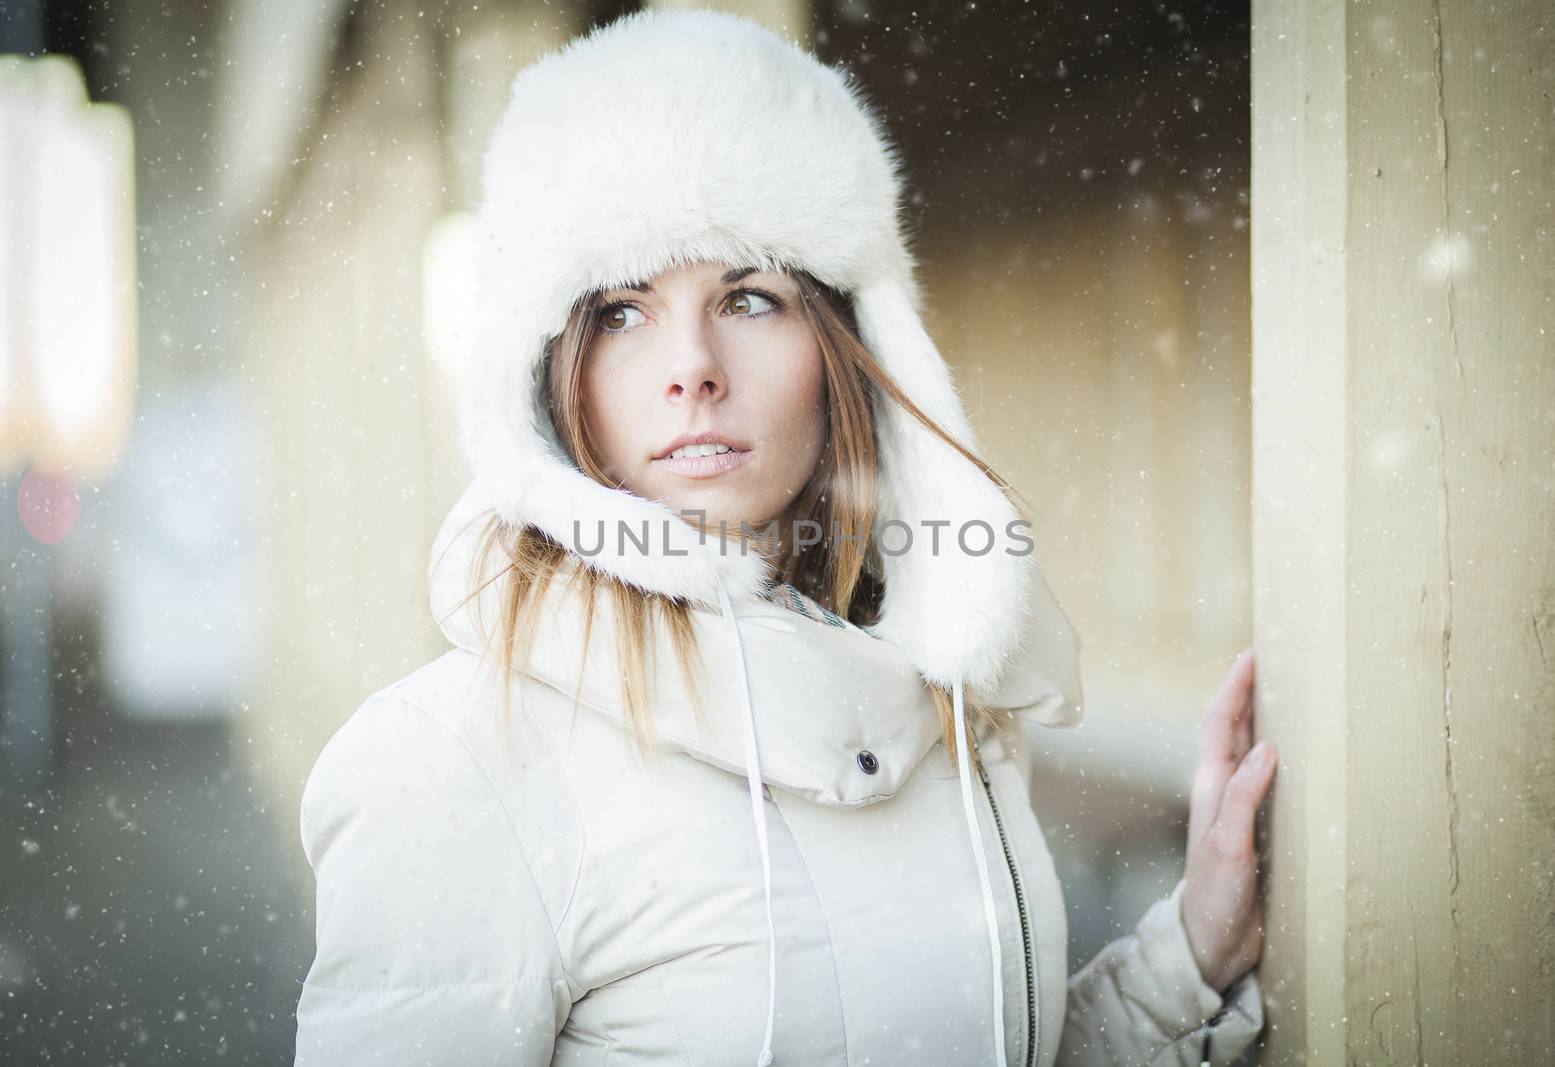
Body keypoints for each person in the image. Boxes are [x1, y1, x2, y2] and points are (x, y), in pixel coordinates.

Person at [292, 9, 1275, 1066]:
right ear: (547, 375)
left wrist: (1185, 957)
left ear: (845, 347)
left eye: (750, 296)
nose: (692, 366)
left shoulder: (951, 712)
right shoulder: (448, 765)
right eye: (622, 311)